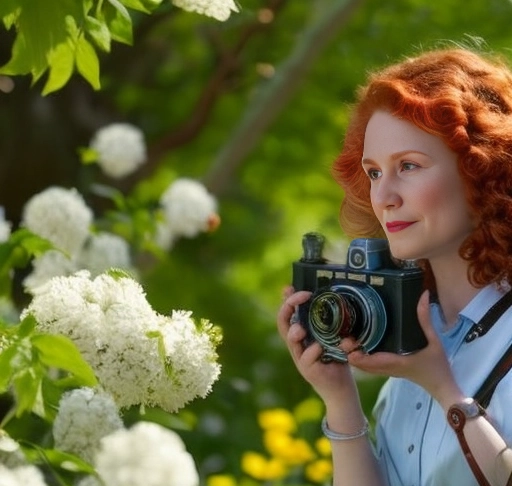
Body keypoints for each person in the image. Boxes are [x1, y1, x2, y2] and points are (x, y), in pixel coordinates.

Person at [277, 46, 512, 486]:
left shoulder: (436, 356)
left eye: (408, 165)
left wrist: (445, 389)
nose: (384, 197)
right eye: (374, 173)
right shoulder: (411, 346)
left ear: (482, 169)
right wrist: (339, 397)